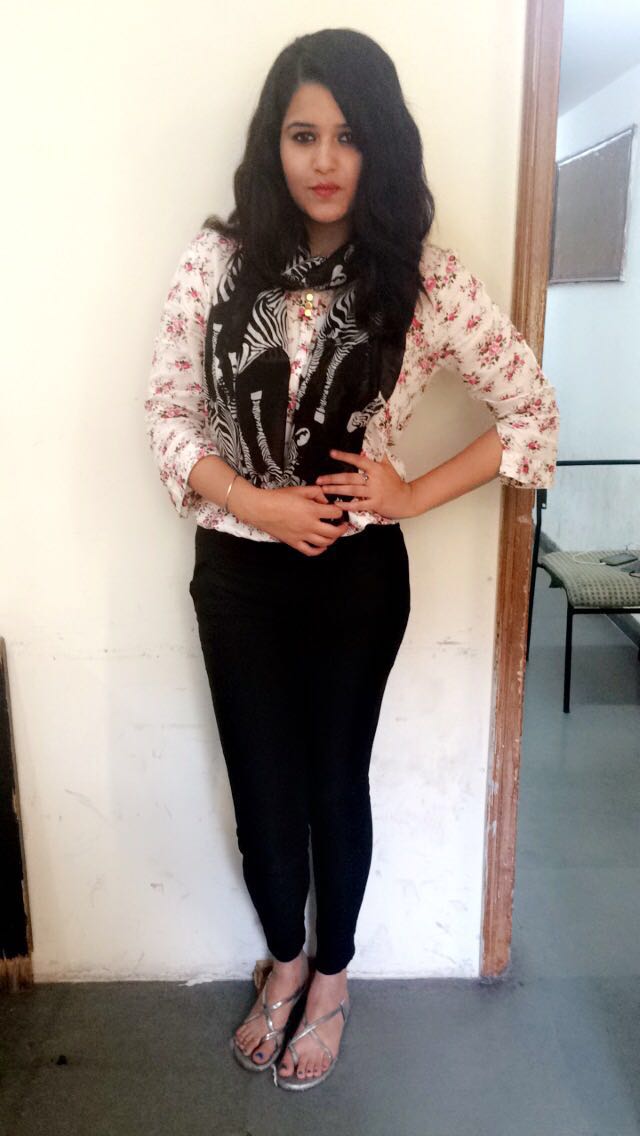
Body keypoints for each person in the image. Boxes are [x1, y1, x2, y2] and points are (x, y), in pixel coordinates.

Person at [144, 28, 560, 1091]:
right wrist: (256, 504)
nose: (324, 159)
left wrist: (409, 492)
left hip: (355, 577)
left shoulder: (423, 281)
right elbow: (168, 418)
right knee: (262, 790)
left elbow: (530, 411)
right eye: (302, 135)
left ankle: (331, 979)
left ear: (380, 145)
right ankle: (283, 960)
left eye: (348, 134)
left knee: (334, 783)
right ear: (272, 144)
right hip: (237, 570)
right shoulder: (217, 261)